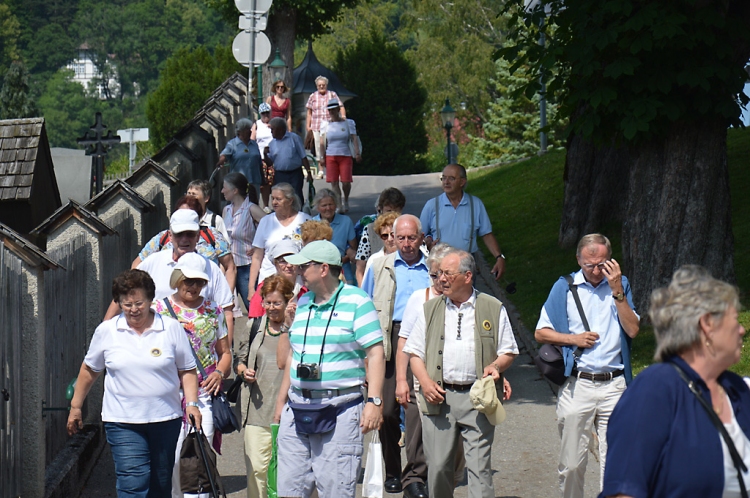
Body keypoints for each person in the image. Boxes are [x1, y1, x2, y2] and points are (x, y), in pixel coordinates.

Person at [600, 265, 749, 498]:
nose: (742, 330)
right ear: (707, 324)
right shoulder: (655, 388)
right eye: (735, 319)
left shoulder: (737, 389)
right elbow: (624, 491)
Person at [67, 269, 202, 497]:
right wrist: (76, 407)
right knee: (133, 482)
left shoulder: (170, 328)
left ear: (150, 300)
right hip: (122, 421)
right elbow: (90, 370)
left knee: (160, 483)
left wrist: (192, 404)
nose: (133, 309)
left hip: (165, 418)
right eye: (126, 304)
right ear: (118, 303)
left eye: (139, 303)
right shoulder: (107, 331)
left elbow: (187, 370)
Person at [272, 240, 384, 498]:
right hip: (297, 407)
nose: (297, 270)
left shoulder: (357, 300)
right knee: (289, 491)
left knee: (336, 491)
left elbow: (376, 352)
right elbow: (293, 354)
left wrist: (375, 401)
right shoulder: (302, 303)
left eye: (303, 266)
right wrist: (281, 402)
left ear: (323, 269)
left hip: (340, 408)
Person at [404, 249, 518, 498]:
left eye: (447, 273)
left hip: (478, 398)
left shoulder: (492, 307)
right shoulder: (430, 309)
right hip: (439, 398)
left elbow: (508, 351)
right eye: (439, 273)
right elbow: (414, 354)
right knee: (439, 468)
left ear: (467, 276)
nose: (440, 279)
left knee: (479, 468)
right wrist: (424, 382)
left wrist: (496, 366)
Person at [534, 233, 640, 498]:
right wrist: (573, 339)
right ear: (578, 260)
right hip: (577, 385)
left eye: (601, 264)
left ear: (611, 261)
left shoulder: (621, 285)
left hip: (615, 385)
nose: (595, 271)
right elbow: (541, 332)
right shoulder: (564, 288)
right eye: (589, 264)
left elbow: (633, 329)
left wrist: (617, 291)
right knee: (571, 466)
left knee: (615, 466)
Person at [362, 215, 431, 498]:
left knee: (416, 408)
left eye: (411, 238)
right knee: (387, 409)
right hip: (389, 336)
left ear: (421, 237)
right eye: (399, 238)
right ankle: (392, 469)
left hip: (423, 336)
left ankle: (415, 475)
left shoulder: (432, 266)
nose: (405, 244)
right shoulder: (379, 266)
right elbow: (365, 306)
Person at [152, 254, 232, 498]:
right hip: (167, 396)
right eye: (188, 280)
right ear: (177, 280)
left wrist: (219, 372)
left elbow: (226, 353)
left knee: (199, 459)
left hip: (204, 396)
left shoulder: (213, 311)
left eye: (199, 281)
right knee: (173, 461)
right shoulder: (157, 309)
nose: (193, 286)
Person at [108, 210, 235, 342]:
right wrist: (104, 333)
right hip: (154, 346)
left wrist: (227, 355)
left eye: (190, 234)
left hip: (200, 353)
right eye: (179, 234)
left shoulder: (211, 269)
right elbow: (123, 295)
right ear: (170, 236)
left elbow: (226, 312)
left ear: (198, 237)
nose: (184, 239)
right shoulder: (152, 263)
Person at [235, 274, 295, 498]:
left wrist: (290, 326)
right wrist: (243, 371)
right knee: (257, 470)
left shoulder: (298, 330)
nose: (271, 307)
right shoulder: (254, 326)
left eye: (276, 302)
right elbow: (238, 360)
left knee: (285, 472)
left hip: (290, 414)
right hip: (257, 414)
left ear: (288, 302)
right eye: (267, 302)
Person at [419, 164, 506, 280]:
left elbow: (487, 234)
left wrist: (499, 257)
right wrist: (428, 243)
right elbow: (419, 236)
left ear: (462, 182)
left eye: (451, 178)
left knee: (466, 298)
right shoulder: (432, 205)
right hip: (440, 265)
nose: (446, 182)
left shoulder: (475, 204)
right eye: (444, 178)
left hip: (466, 266)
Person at [132, 196, 235, 282]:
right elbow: (137, 264)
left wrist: (227, 296)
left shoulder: (212, 235)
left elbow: (230, 267)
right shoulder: (162, 237)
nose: (184, 239)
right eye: (179, 234)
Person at [248, 183, 310, 302]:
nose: (274, 202)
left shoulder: (305, 220)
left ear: (290, 200)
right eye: (272, 198)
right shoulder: (266, 221)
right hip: (269, 282)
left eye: (278, 199)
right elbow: (257, 257)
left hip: (298, 284)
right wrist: (251, 288)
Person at [221, 172, 266, 310]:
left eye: (224, 187)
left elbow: (270, 227)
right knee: (228, 306)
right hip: (230, 267)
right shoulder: (226, 210)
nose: (222, 191)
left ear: (235, 191)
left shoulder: (251, 209)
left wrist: (258, 246)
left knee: (254, 306)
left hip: (247, 266)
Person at [355, 187, 407, 285]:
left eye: (396, 211)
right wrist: (364, 294)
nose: (392, 215)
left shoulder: (408, 229)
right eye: (388, 211)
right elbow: (360, 269)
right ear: (381, 209)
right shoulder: (369, 230)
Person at [246, 239, 307, 321]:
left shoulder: (307, 287)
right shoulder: (265, 287)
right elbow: (254, 318)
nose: (289, 265)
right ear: (275, 263)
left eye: (292, 260)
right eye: (283, 261)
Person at [264, 117, 313, 207]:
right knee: (281, 196)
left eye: (273, 129)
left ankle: (299, 216)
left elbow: (303, 156)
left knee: (296, 195)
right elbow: (270, 163)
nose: (271, 132)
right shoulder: (272, 144)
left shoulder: (294, 138)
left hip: (295, 173)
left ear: (281, 129)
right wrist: (265, 155)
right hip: (280, 175)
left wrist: (309, 173)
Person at [321, 99, 359, 213]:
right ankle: (339, 204)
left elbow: (354, 138)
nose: (332, 112)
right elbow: (322, 142)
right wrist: (321, 157)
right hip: (331, 155)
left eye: (334, 110)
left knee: (346, 182)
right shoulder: (326, 124)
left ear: (338, 110)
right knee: (334, 182)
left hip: (345, 154)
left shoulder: (348, 123)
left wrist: (357, 153)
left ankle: (346, 199)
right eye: (330, 110)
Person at [312, 188, 356, 284]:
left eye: (331, 204)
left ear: (336, 205)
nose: (328, 208)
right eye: (324, 205)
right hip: (319, 270)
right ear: (318, 207)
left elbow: (354, 248)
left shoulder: (346, 221)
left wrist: (345, 257)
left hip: (343, 268)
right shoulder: (312, 224)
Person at [306, 76, 345, 177]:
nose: (321, 87)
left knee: (331, 146)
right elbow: (309, 112)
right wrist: (308, 125)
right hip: (317, 125)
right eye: (319, 85)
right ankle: (321, 170)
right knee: (319, 147)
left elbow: (340, 106)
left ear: (326, 85)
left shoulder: (332, 95)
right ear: (316, 86)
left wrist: (343, 117)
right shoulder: (313, 96)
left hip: (330, 124)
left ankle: (332, 170)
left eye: (323, 85)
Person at [217, 118, 263, 198]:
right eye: (247, 129)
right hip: (239, 182)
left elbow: (259, 162)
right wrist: (221, 160)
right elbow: (224, 154)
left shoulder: (254, 144)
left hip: (254, 180)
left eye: (250, 129)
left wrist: (262, 177)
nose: (250, 132)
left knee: (254, 205)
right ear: (240, 132)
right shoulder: (232, 144)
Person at [252, 103, 275, 210]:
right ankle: (266, 205)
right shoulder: (256, 124)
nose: (265, 115)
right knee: (264, 183)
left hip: (275, 157)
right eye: (263, 113)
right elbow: (252, 140)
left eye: (267, 113)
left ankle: (276, 202)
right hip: (261, 157)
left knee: (274, 182)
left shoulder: (275, 123)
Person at [363, 212, 399, 278]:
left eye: (393, 234)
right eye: (385, 236)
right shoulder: (374, 260)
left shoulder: (409, 257)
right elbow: (367, 287)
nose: (389, 239)